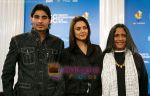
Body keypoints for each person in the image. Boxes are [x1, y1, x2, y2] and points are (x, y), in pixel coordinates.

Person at [1, 4, 64, 96]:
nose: (40, 21)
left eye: (44, 17)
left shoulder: (58, 43)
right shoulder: (18, 41)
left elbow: (58, 75)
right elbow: (8, 73)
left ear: (49, 20)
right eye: (36, 17)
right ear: (31, 19)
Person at [101, 23, 148, 96]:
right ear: (111, 38)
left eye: (123, 35)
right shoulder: (103, 58)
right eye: (116, 36)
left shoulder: (137, 58)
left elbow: (143, 85)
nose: (120, 39)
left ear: (127, 38)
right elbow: (97, 86)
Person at [61, 16, 102, 96]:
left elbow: (101, 74)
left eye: (85, 28)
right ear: (73, 32)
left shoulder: (97, 49)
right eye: (78, 29)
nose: (82, 31)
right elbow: (63, 80)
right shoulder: (66, 53)